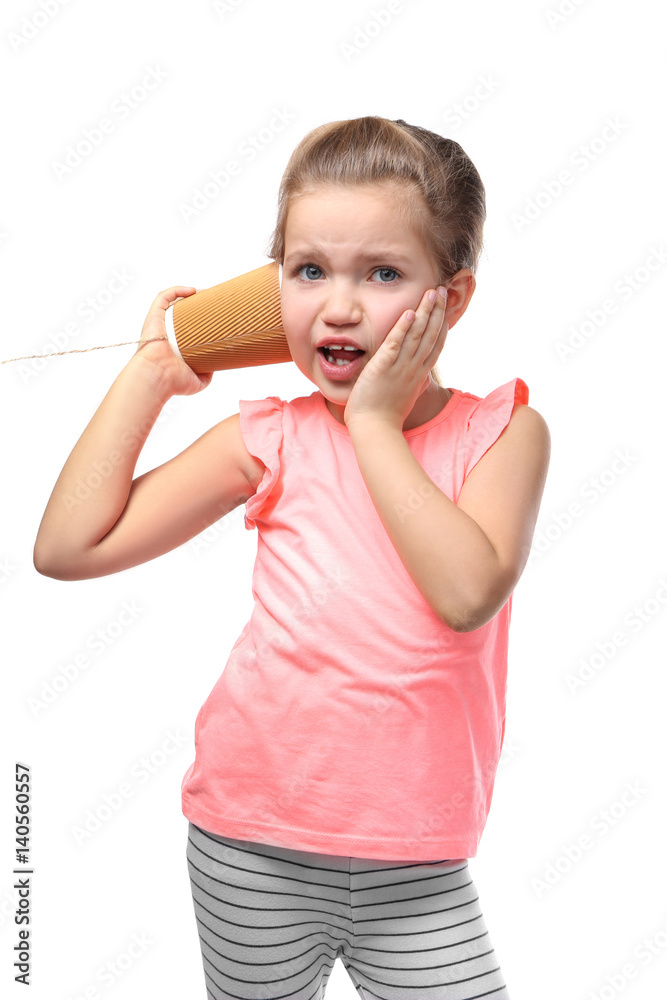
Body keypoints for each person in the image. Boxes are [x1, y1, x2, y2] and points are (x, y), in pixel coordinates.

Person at [34, 116, 550, 999]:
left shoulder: (500, 432)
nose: (337, 307)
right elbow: (68, 547)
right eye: (308, 270)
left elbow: (467, 592)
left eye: (382, 273)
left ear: (451, 299)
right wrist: (153, 372)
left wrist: (376, 422)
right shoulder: (270, 438)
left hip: (414, 867)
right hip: (248, 845)